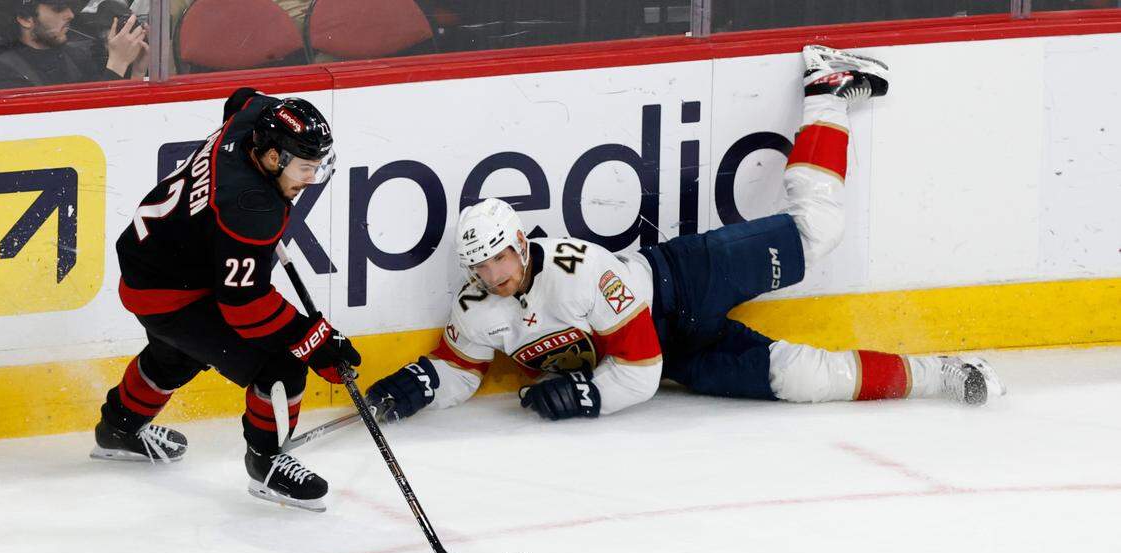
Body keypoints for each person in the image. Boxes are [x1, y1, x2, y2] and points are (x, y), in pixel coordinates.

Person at [364, 45, 1004, 424]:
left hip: (686, 279)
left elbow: (637, 373)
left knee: (820, 230)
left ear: (521, 242)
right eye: (480, 269)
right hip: (685, 359)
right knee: (810, 382)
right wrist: (411, 390)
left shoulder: (581, 270)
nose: (494, 275)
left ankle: (827, 90)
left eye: (500, 258)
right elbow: (461, 370)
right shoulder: (477, 308)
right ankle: (943, 375)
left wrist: (585, 398)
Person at [93, 87, 361, 513]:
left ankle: (119, 429)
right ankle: (267, 464)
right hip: (169, 290)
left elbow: (240, 97)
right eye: (306, 168)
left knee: (178, 352)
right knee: (280, 363)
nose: (312, 179)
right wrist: (313, 340)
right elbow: (244, 307)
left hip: (155, 260)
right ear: (273, 159)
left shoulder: (254, 119)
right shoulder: (250, 207)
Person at [0, 0, 148, 91]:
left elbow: (119, 120)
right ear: (25, 19)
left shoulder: (76, 57)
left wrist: (137, 72)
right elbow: (89, 130)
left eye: (69, 6)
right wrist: (117, 63)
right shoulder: (3, 74)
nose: (70, 15)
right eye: (58, 8)